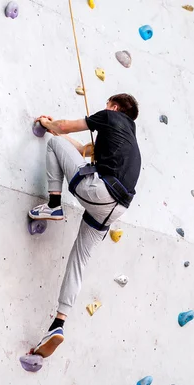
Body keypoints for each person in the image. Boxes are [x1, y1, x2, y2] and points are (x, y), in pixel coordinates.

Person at [28, 93, 141, 358]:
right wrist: (56, 126)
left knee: (54, 143)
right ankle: (58, 324)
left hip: (100, 192)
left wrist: (48, 126)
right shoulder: (128, 143)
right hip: (116, 209)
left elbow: (64, 130)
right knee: (79, 258)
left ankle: (54, 203)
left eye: (107, 106)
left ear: (114, 107)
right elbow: (79, 151)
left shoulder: (111, 117)